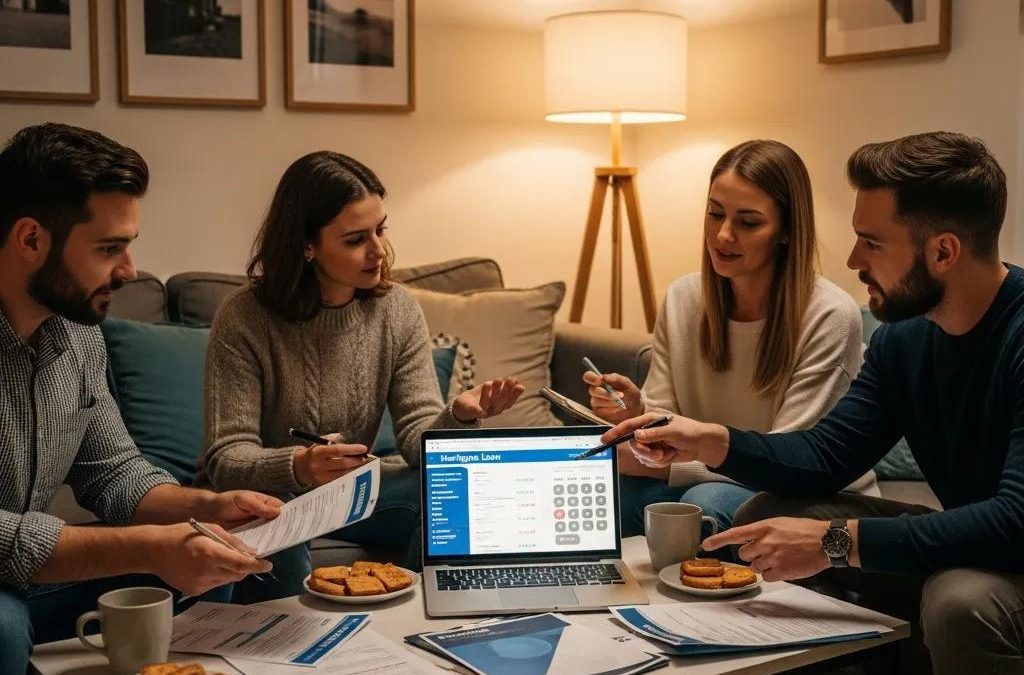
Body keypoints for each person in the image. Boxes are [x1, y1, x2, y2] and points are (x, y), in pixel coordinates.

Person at [604, 131, 1024, 675]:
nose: (852, 260)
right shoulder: (906, 340)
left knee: (960, 600)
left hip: (1012, 549)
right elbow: (828, 454)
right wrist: (711, 441)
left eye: (871, 242)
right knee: (766, 513)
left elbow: (1014, 522)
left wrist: (834, 541)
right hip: (976, 532)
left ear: (942, 251)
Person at [0, 123, 282, 672]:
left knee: (224, 555)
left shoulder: (78, 334)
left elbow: (113, 472)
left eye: (129, 245)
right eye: (108, 248)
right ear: (31, 239)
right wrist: (151, 545)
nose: (128, 270)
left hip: (31, 570)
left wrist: (207, 507)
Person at [196, 151, 524, 604]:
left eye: (380, 229)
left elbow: (415, 437)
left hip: (356, 491)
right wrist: (300, 466)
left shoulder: (397, 308)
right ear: (306, 245)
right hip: (269, 501)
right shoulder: (245, 318)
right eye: (355, 239)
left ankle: (423, 624)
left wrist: (459, 416)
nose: (379, 251)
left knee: (449, 490)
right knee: (278, 546)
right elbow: (226, 457)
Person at [585, 140, 876, 538]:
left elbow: (789, 462)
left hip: (798, 493)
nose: (723, 236)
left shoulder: (829, 315)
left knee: (703, 506)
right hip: (698, 479)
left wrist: (673, 462)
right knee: (603, 493)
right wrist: (634, 413)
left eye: (748, 222)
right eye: (715, 214)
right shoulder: (684, 299)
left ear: (788, 230)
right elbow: (664, 424)